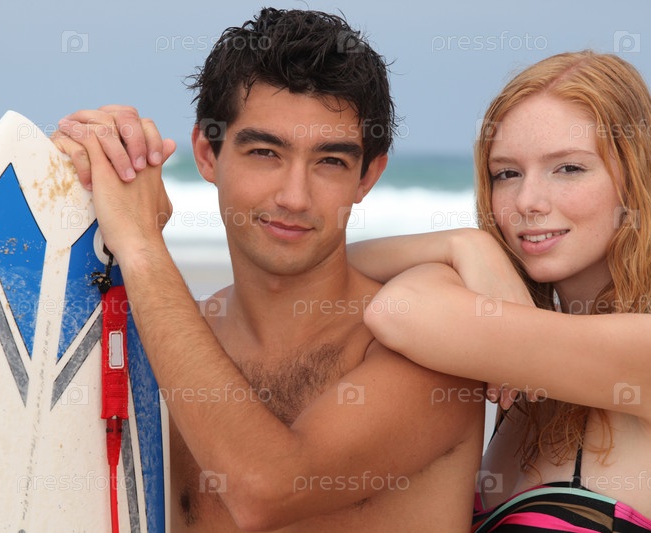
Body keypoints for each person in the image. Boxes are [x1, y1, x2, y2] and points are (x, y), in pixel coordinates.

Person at [52, 8, 489, 531]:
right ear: (206, 154)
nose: (294, 197)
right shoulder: (160, 344)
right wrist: (69, 177)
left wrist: (141, 242)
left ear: (368, 176)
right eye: (265, 152)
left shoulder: (427, 353)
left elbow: (266, 488)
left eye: (330, 161)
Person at [350, 51, 651, 531]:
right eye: (507, 173)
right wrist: (465, 243)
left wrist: (465, 251)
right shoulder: (525, 367)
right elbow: (336, 271)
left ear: (634, 177)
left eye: (568, 168)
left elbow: (398, 310)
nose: (527, 202)